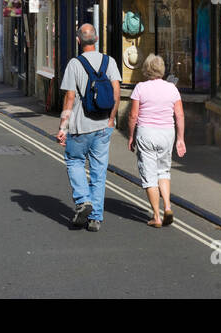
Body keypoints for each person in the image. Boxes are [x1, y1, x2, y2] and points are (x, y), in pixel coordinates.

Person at [56, 24, 121, 232]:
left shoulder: (74, 64)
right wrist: (111, 120)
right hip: (103, 125)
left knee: (74, 162)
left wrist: (63, 127)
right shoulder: (109, 61)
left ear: (78, 41)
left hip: (79, 127)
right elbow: (116, 93)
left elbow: (70, 97)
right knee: (98, 172)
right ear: (97, 39)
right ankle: (95, 219)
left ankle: (83, 200)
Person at [127, 54, 186, 227]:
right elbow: (180, 114)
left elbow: (133, 116)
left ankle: (156, 216)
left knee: (149, 176)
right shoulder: (172, 89)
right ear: (162, 69)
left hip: (147, 134)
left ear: (146, 69)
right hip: (167, 133)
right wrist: (180, 138)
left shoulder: (140, 88)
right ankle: (167, 206)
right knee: (163, 171)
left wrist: (131, 136)